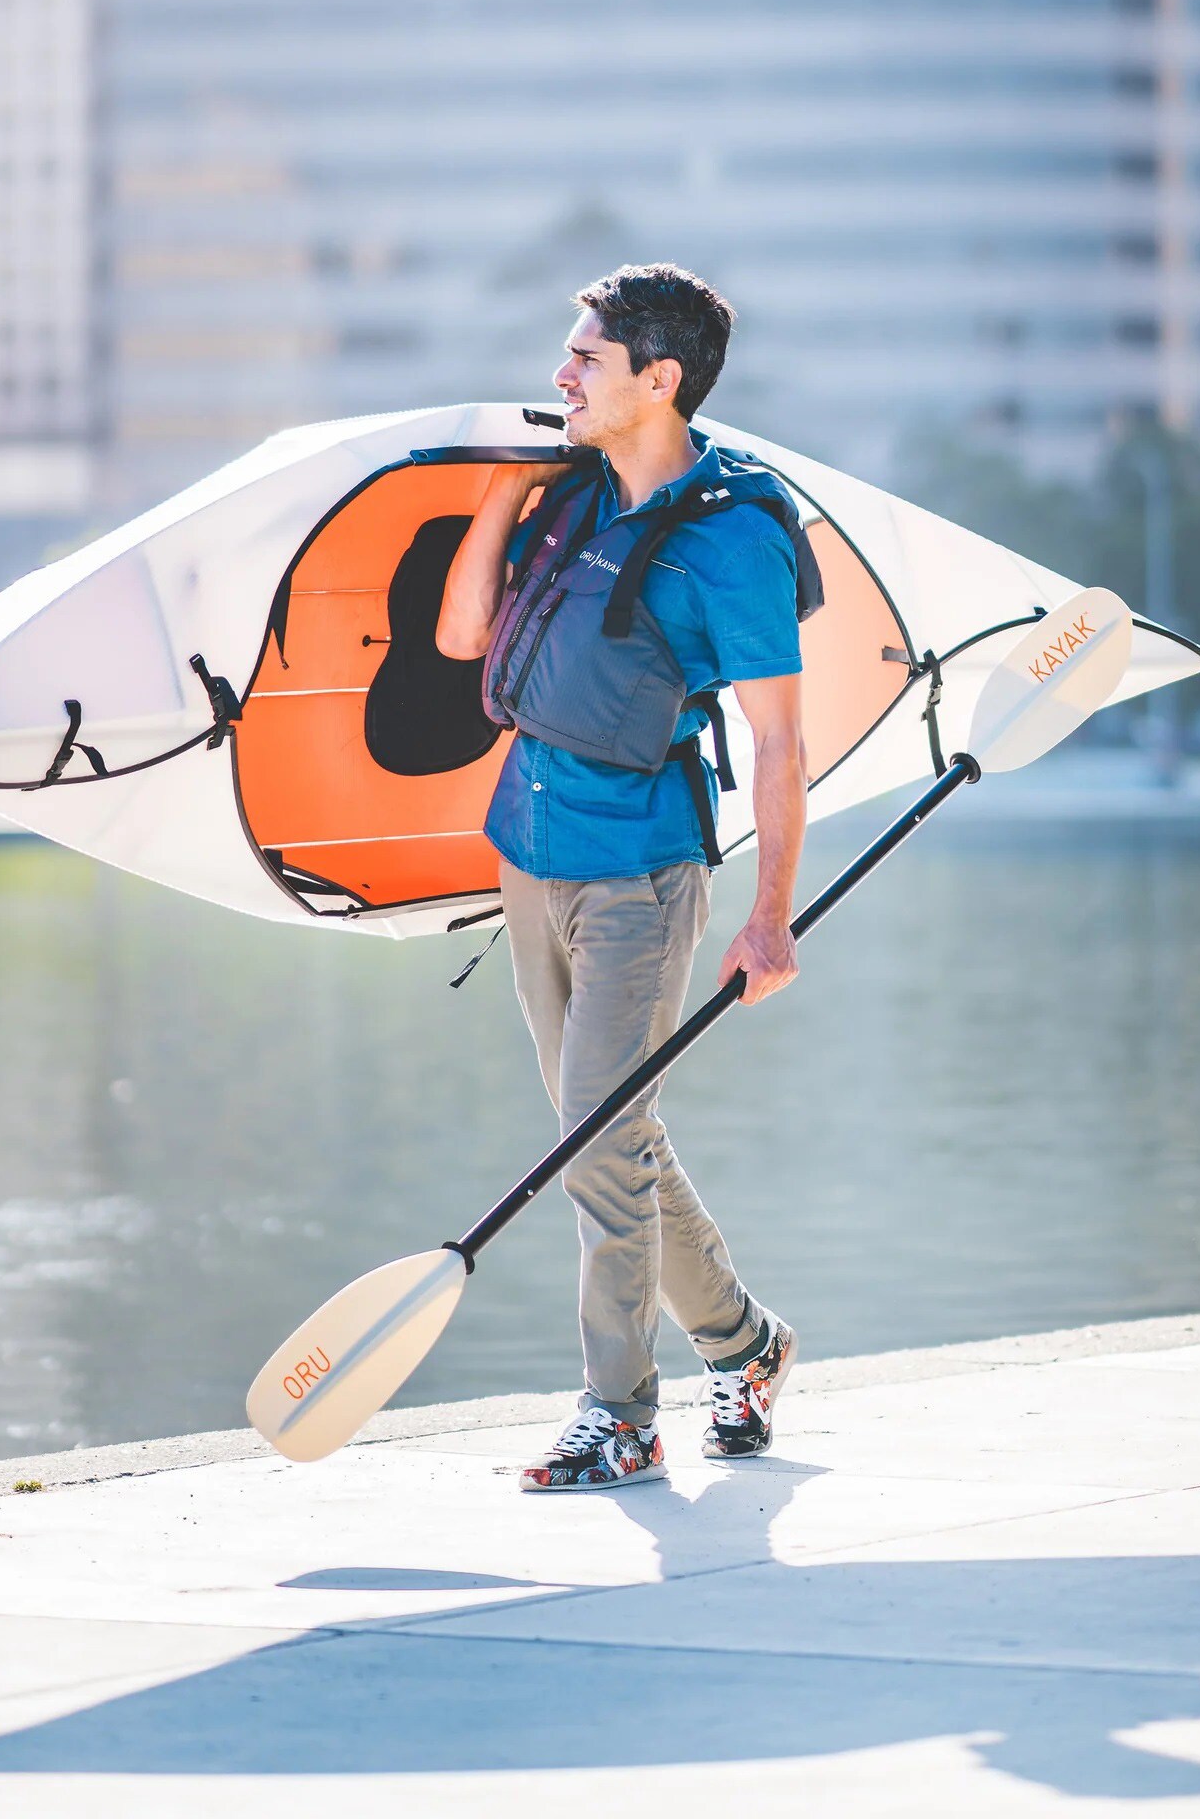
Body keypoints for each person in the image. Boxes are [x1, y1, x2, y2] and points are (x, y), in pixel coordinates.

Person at [437, 264, 809, 1490]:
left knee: (597, 1139)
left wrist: (769, 921)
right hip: (527, 855)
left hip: (641, 875)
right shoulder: (575, 495)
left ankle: (621, 1410)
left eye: (584, 359)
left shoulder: (733, 540)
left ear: (660, 379)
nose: (561, 374)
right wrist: (497, 506)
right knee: (606, 1135)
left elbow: (776, 740)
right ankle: (746, 1347)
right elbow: (461, 641)